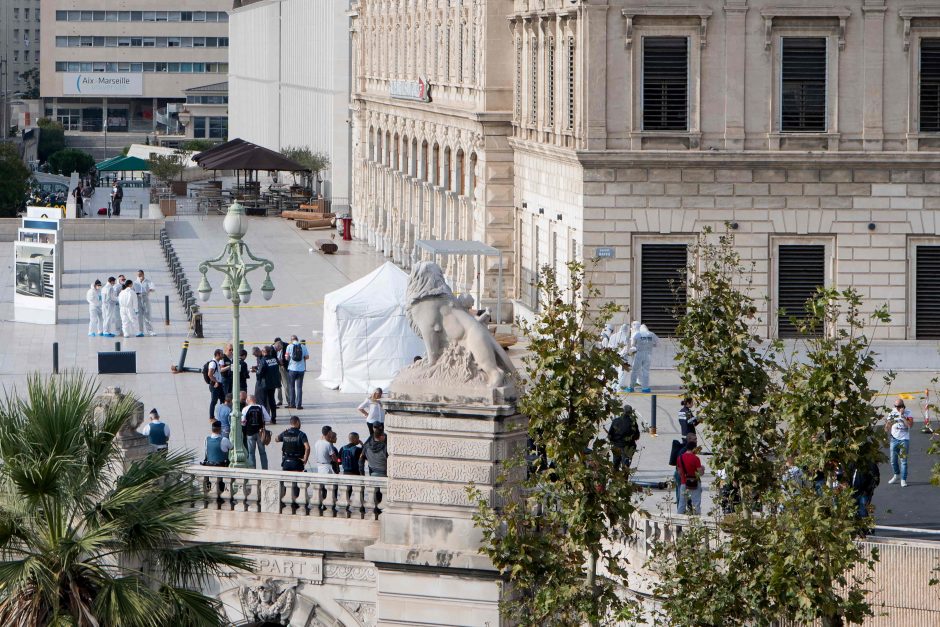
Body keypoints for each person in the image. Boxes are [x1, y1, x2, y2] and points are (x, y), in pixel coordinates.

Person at [886, 399, 914, 487]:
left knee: (903, 461)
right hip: (894, 439)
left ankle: (903, 479)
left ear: (902, 406)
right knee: (893, 461)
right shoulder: (892, 412)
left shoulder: (908, 413)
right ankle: (896, 474)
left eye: (898, 407)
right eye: (895, 406)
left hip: (904, 440)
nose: (896, 408)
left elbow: (909, 425)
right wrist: (888, 424)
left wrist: (902, 416)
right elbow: (887, 427)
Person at [627, 322, 659, 393]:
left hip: (639, 354)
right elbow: (657, 344)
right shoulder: (652, 334)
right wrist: (650, 346)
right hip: (648, 354)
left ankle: (631, 387)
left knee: (635, 371)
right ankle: (645, 388)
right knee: (646, 371)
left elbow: (633, 344)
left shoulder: (637, 334)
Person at [608, 404, 640, 471]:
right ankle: (625, 480)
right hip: (628, 447)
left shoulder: (615, 421)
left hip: (617, 446)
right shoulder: (633, 423)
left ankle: (615, 479)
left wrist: (614, 441)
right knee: (625, 466)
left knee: (615, 465)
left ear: (623, 411)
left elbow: (610, 435)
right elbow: (637, 436)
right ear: (631, 412)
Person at [241, 395, 270, 470]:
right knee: (262, 452)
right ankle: (265, 469)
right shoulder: (261, 407)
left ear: (248, 400)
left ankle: (253, 469)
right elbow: (268, 418)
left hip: (250, 433)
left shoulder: (245, 409)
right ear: (255, 399)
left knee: (251, 453)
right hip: (260, 433)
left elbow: (243, 422)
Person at [677, 436, 704, 515]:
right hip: (695, 483)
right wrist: (703, 469)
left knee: (682, 504)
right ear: (694, 448)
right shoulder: (695, 458)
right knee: (696, 503)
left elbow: (679, 472)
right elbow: (700, 473)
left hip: (684, 483)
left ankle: (678, 524)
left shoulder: (680, 458)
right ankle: (696, 523)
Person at [286, 335, 310, 409]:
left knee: (291, 387)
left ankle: (292, 404)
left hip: (292, 369)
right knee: (299, 388)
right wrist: (302, 359)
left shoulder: (289, 346)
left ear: (291, 340)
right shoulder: (303, 346)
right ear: (297, 339)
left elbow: (286, 357)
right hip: (301, 370)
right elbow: (307, 357)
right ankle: (299, 405)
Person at [262, 345, 281, 423]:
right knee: (272, 400)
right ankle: (273, 418)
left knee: (263, 401)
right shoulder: (274, 359)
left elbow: (260, 372)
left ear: (264, 352)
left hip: (265, 383)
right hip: (273, 383)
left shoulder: (264, 360)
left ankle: (264, 418)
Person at [135, 269, 156, 336]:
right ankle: (140, 331)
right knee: (139, 316)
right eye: (138, 275)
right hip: (138, 299)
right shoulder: (135, 282)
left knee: (147, 315)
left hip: (145, 298)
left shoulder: (148, 281)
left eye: (140, 275)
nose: (139, 276)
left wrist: (149, 290)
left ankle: (150, 331)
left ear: (143, 274)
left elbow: (152, 288)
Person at [206, 348, 225, 421]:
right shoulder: (213, 363)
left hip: (219, 384)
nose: (223, 355)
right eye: (221, 354)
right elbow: (210, 374)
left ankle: (221, 414)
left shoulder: (217, 362)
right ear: (217, 354)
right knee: (214, 401)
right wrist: (216, 381)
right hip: (215, 385)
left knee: (223, 400)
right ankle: (211, 417)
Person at [274, 339, 288, 407]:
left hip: (283, 367)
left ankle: (289, 400)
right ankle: (280, 400)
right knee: (278, 385)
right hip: (277, 367)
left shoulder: (286, 346)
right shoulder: (273, 348)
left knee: (286, 384)